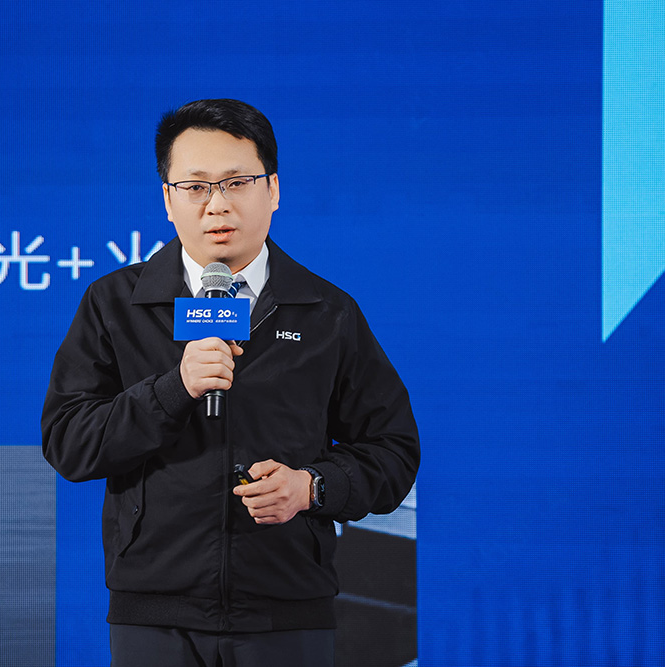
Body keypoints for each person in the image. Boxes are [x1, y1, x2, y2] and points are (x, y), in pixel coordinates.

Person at [41, 98, 419, 667]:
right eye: (195, 187)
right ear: (168, 200)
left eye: (237, 183)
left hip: (288, 611)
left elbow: (393, 450)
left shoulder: (326, 313)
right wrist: (174, 388)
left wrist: (312, 487)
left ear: (273, 190)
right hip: (155, 615)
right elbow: (68, 441)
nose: (217, 204)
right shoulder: (115, 304)